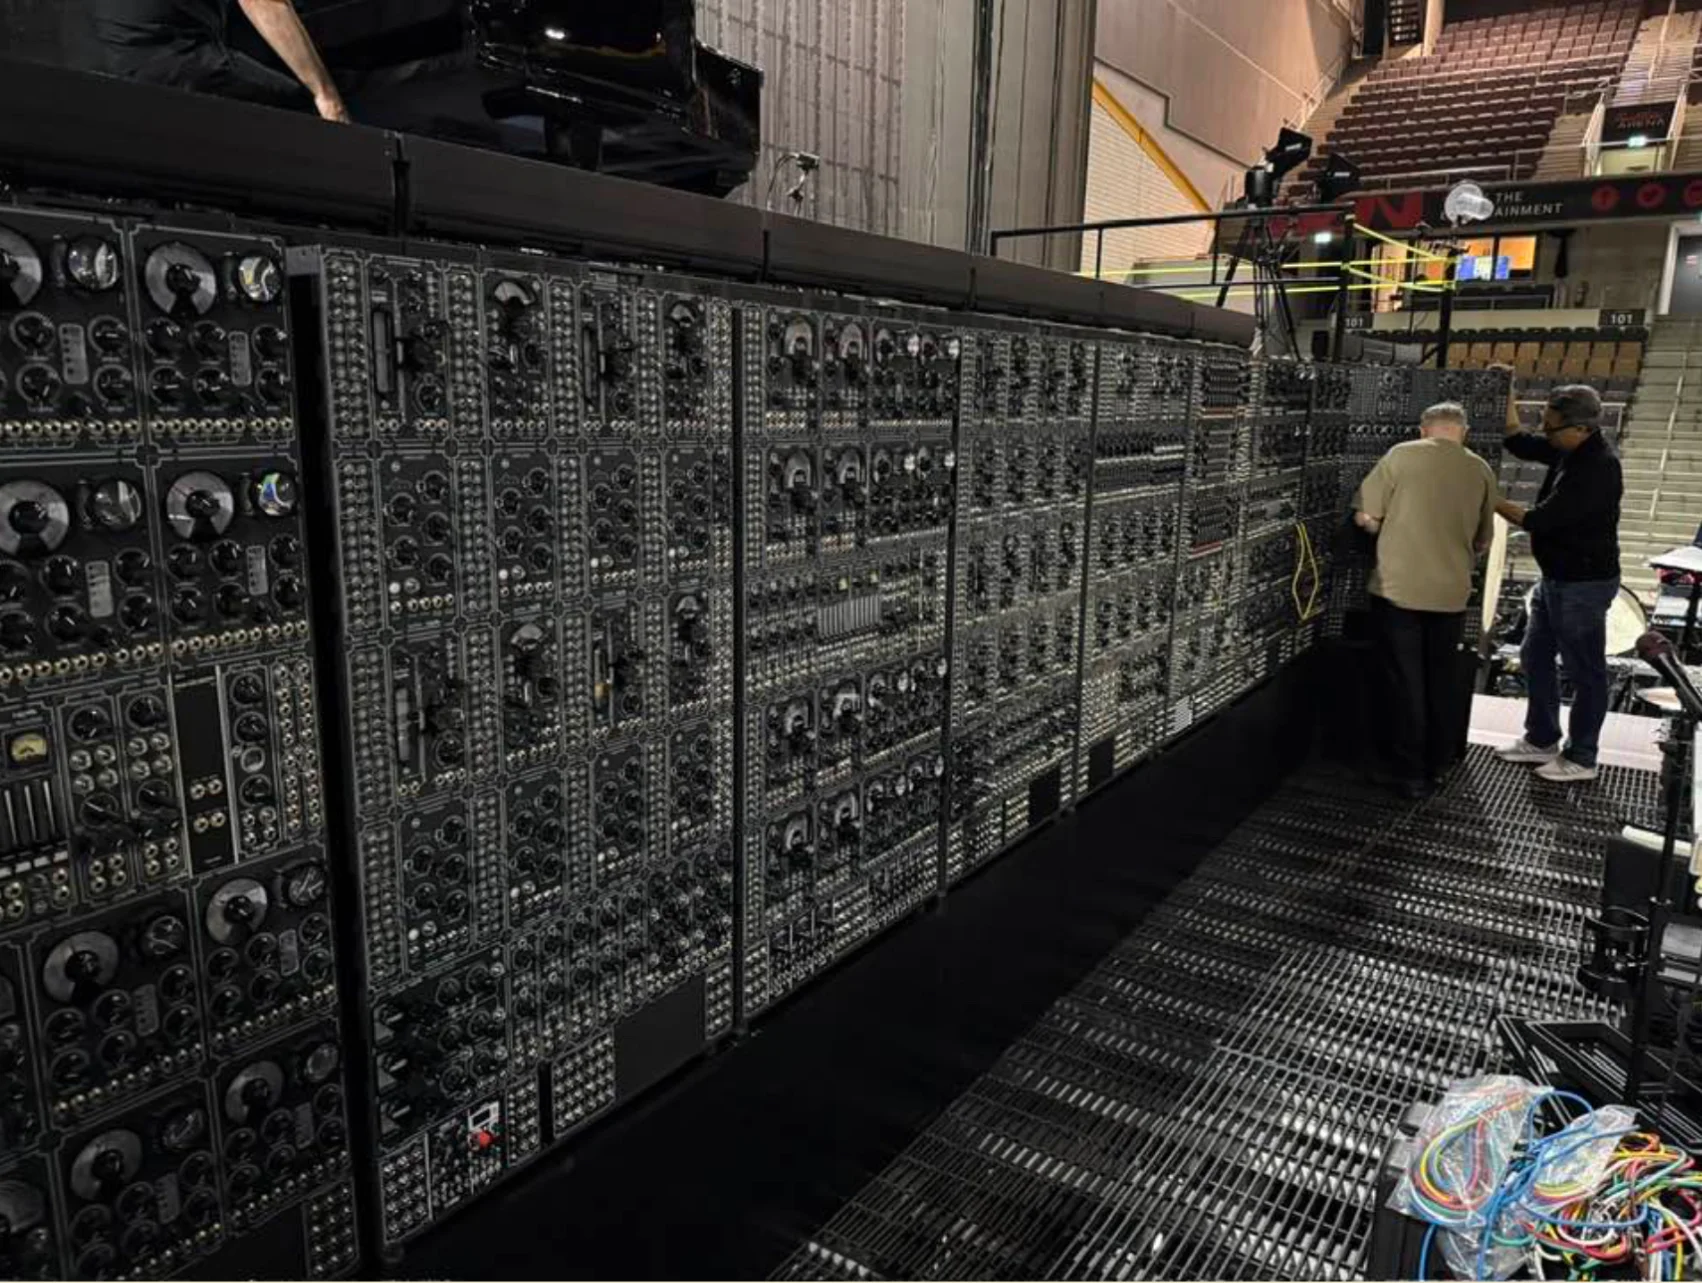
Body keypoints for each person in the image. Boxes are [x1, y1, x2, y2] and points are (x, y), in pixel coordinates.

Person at [1353, 401, 1499, 801]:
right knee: (1441, 680)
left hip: (1399, 590)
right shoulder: (1480, 469)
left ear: (1423, 429)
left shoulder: (1401, 455)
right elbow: (1483, 541)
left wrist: (1385, 529)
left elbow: (1366, 516)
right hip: (1451, 595)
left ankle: (1409, 773)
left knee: (1405, 682)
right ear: (1464, 432)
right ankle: (1437, 764)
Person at [1493, 381, 1623, 783]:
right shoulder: (1570, 447)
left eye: (1551, 428)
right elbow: (1518, 441)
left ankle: (1582, 756)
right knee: (1534, 656)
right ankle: (1542, 738)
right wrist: (1507, 389)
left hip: (1583, 584)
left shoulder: (1596, 467)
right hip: (1557, 579)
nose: (1545, 434)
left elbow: (1538, 520)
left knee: (1585, 672)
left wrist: (1484, 496)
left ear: (1581, 427)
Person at [93, 0, 349, 121]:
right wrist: (326, 96)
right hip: (175, 56)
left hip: (122, 61)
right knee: (302, 111)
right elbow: (265, 3)